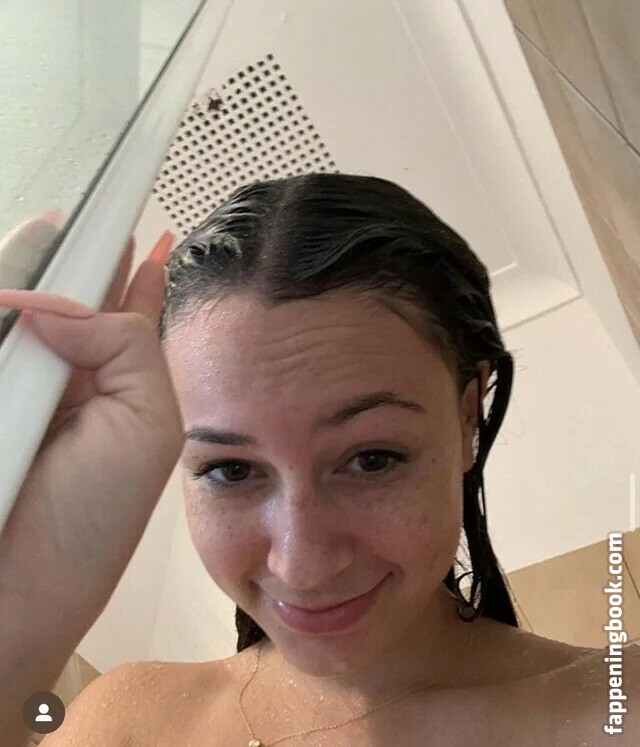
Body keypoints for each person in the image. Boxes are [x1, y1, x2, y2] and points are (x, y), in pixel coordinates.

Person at [0, 173, 638, 746]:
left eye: (373, 459)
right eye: (231, 470)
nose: (301, 566)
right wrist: (19, 618)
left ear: (468, 415)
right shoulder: (124, 721)